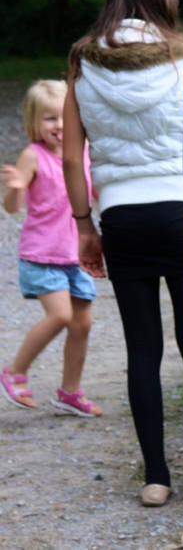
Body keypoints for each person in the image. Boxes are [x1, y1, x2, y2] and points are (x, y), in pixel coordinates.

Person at [62, 0, 183, 508]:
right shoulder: (181, 57)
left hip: (120, 217)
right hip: (180, 214)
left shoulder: (81, 61)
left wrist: (84, 225)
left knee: (142, 349)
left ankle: (156, 478)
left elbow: (72, 156)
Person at [1, 80, 102, 417]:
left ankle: (70, 392)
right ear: (33, 122)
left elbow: (98, 193)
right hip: (42, 255)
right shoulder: (33, 156)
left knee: (82, 324)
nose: (58, 125)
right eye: (48, 119)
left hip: (76, 255)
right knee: (60, 315)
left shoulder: (85, 154)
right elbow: (12, 207)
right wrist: (15, 188)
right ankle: (14, 371)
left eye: (63, 117)